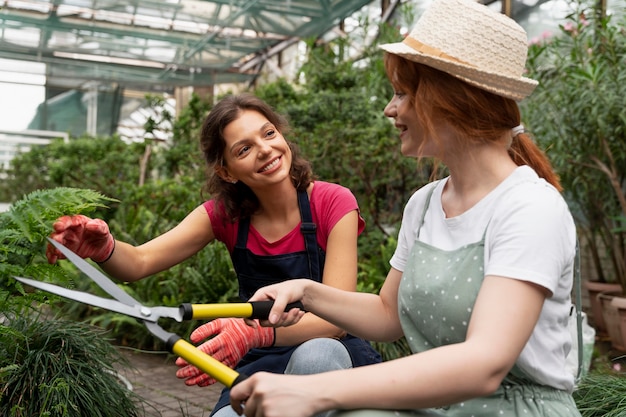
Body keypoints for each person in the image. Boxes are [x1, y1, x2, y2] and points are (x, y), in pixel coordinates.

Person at [228, 0, 581, 416]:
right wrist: (305, 292)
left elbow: (484, 364)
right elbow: (386, 314)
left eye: (401, 93)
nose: (389, 109)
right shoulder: (426, 204)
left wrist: (321, 390)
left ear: (448, 98)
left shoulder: (529, 207)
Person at [46, 93, 381, 417]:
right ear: (227, 171)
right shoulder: (224, 215)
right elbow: (139, 263)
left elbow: (336, 321)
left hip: (334, 356)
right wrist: (104, 248)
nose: (265, 150)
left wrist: (255, 332)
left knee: (316, 354)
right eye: (245, 149)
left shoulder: (333, 202)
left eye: (269, 133)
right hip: (262, 362)